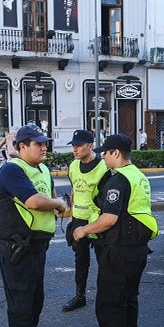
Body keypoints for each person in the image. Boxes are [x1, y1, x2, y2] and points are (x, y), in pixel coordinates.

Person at [72, 134, 158, 327]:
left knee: (110, 303)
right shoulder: (138, 176)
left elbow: (109, 219)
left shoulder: (118, 181)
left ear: (116, 153)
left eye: (106, 153)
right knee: (129, 299)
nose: (102, 157)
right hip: (137, 250)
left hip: (120, 250)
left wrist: (83, 230)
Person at [0, 124, 69, 327]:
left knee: (36, 299)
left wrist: (58, 203)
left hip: (37, 247)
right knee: (21, 303)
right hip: (17, 249)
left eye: (45, 142)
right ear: (22, 146)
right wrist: (58, 204)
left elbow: (50, 196)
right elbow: (35, 201)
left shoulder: (43, 169)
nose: (44, 147)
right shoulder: (12, 170)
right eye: (38, 143)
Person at [62, 129, 109, 312]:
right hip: (79, 221)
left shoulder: (104, 167)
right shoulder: (74, 165)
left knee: (103, 261)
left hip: (97, 222)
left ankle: (105, 297)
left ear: (90, 146)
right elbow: (74, 190)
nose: (74, 149)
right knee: (80, 260)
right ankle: (79, 296)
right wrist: (71, 217)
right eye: (73, 146)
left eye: (79, 145)